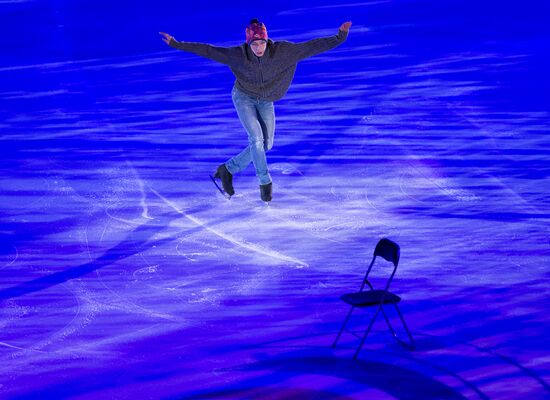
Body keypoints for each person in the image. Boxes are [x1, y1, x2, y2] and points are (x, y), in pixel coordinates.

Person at [160, 19, 352, 202]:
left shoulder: (283, 52)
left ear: (267, 40)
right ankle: (265, 183)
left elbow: (311, 46)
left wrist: (340, 37)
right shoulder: (238, 55)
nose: (258, 48)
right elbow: (209, 51)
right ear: (248, 43)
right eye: (254, 45)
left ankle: (227, 169)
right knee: (256, 140)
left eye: (261, 43)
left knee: (266, 145)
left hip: (266, 100)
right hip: (243, 97)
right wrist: (178, 44)